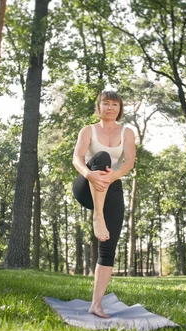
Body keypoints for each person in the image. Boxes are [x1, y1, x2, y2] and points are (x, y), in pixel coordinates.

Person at [72, 90, 136, 318]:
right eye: (106, 104)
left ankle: (96, 304)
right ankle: (97, 216)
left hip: (111, 185)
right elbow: (77, 158)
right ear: (99, 107)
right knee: (102, 158)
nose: (110, 108)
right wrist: (89, 174)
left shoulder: (127, 132)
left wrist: (113, 177)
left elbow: (129, 161)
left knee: (108, 246)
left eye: (114, 105)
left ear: (120, 109)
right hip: (86, 186)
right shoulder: (88, 130)